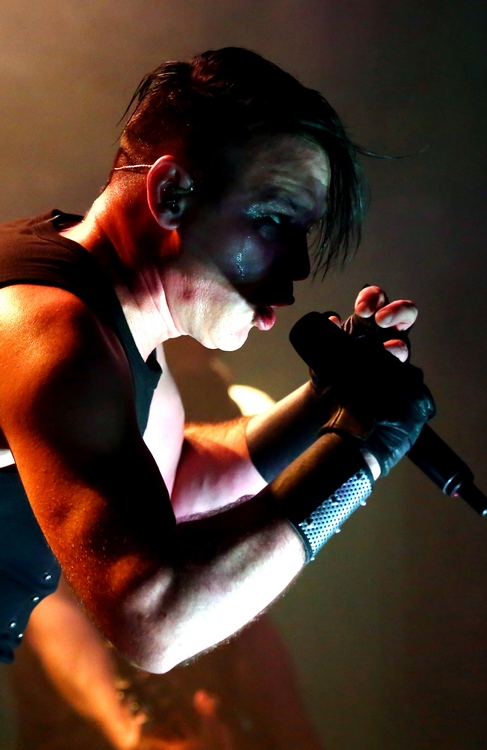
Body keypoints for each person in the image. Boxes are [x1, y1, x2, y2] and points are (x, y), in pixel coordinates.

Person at [0, 46, 433, 671]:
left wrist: (325, 404)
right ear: (172, 193)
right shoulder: (52, 330)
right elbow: (158, 616)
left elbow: (173, 480)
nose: (299, 267)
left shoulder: (102, 315)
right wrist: (359, 457)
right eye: (274, 220)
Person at [9, 339, 324, 750]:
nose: (267, 317)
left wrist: (295, 733)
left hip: (206, 707)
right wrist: (128, 731)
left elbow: (245, 589)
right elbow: (47, 590)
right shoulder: (75, 358)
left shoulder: (207, 389)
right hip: (86, 720)